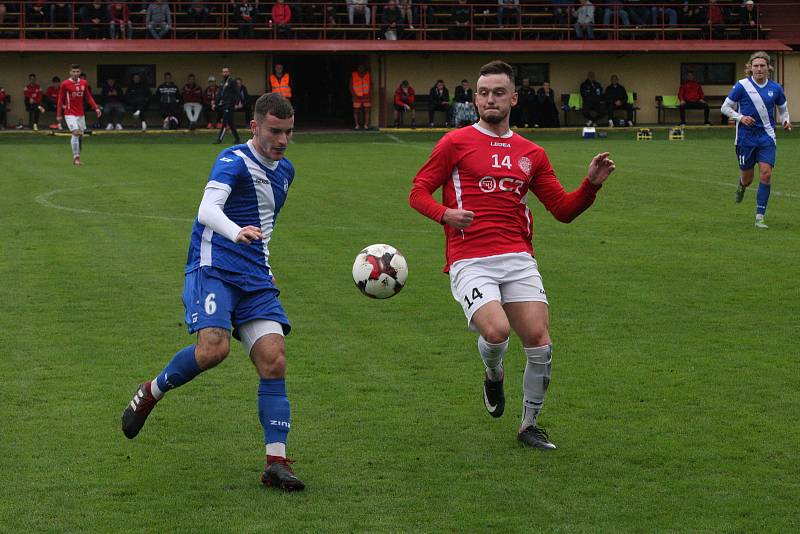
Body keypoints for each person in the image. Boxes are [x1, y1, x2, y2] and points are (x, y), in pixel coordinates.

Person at [409, 60, 614, 450]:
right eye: (483, 93)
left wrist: (590, 186)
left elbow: (563, 210)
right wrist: (445, 214)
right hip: (469, 257)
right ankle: (493, 373)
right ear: (475, 98)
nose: (490, 99)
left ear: (513, 98)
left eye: (498, 92)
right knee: (497, 331)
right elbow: (418, 191)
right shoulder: (454, 143)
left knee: (540, 342)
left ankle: (529, 426)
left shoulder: (531, 153)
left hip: (518, 256)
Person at [120, 92, 305, 491]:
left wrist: (265, 268)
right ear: (254, 127)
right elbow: (207, 210)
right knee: (213, 351)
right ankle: (151, 391)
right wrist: (234, 232)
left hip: (254, 276)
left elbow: (266, 228)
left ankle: (276, 461)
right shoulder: (232, 161)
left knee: (273, 360)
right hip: (213, 268)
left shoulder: (286, 171)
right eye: (275, 131)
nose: (282, 140)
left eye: (289, 132)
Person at [722, 51, 792, 229]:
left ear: (768, 68)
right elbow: (725, 107)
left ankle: (759, 217)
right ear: (750, 68)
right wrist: (740, 117)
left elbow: (783, 109)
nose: (759, 69)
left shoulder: (776, 88)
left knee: (766, 174)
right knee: (747, 178)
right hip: (745, 139)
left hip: (767, 137)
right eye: (756, 66)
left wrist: (785, 121)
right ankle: (741, 185)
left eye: (762, 66)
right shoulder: (742, 86)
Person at [56, 64, 102, 166]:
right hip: (69, 113)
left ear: (80, 72)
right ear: (70, 72)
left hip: (80, 114)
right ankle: (76, 158)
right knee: (75, 133)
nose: (76, 74)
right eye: (74, 72)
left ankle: (77, 155)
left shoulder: (84, 83)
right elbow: (60, 99)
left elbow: (88, 97)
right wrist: (59, 114)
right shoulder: (65, 84)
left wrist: (96, 108)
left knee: (80, 137)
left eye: (77, 72)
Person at [216, 66, 241, 144]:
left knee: (225, 122)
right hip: (224, 104)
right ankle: (237, 139)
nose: (225, 73)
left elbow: (237, 92)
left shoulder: (232, 81)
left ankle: (219, 139)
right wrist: (215, 103)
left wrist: (237, 103)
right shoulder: (222, 83)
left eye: (226, 72)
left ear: (229, 73)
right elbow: (220, 94)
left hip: (230, 104)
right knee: (230, 123)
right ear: (221, 73)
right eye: (223, 72)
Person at [350, 64, 371, 130]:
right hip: (356, 96)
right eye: (360, 67)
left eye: (362, 67)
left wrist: (369, 94)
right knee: (356, 111)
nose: (361, 69)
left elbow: (371, 85)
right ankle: (357, 125)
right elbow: (350, 86)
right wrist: (353, 94)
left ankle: (366, 126)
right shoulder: (353, 75)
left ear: (365, 68)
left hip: (366, 96)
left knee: (367, 111)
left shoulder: (368, 75)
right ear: (357, 68)